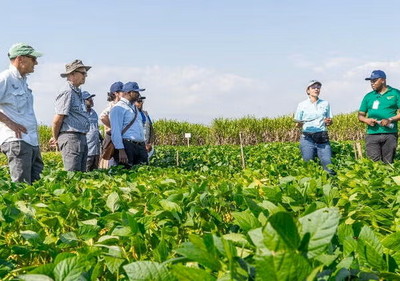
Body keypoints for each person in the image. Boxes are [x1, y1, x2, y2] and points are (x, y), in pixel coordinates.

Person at [0, 43, 44, 184]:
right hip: (17, 141)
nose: (36, 62)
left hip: (31, 141)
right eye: (33, 58)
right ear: (20, 58)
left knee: (37, 185)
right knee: (21, 188)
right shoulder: (6, 78)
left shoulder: (23, 82)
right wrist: (10, 123)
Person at [49, 60, 91, 172]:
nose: (85, 75)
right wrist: (55, 137)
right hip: (71, 137)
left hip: (80, 137)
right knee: (73, 175)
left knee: (81, 175)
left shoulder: (77, 92)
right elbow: (58, 119)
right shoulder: (67, 91)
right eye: (83, 73)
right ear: (72, 74)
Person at [358, 70, 400, 163]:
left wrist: (390, 120)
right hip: (372, 135)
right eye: (371, 81)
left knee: (388, 162)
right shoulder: (368, 96)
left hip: (390, 134)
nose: (372, 83)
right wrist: (366, 120)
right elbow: (360, 115)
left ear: (383, 80)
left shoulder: (395, 93)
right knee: (374, 163)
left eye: (374, 81)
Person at [294, 80, 335, 175]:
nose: (316, 89)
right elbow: (297, 123)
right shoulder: (302, 105)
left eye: (318, 87)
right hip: (307, 138)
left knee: (328, 163)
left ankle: (332, 183)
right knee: (308, 164)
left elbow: (329, 121)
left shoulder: (325, 104)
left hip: (322, 137)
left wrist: (329, 122)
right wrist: (300, 123)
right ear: (308, 91)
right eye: (313, 87)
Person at [110, 82, 148, 168]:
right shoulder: (118, 108)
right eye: (136, 92)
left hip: (140, 146)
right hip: (127, 146)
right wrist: (121, 150)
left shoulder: (134, 108)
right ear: (129, 93)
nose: (139, 94)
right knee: (126, 173)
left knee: (143, 174)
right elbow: (116, 131)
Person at [98, 81, 123, 168]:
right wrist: (114, 127)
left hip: (115, 139)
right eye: (122, 92)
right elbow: (102, 117)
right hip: (113, 141)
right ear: (116, 94)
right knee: (114, 162)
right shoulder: (113, 106)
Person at [83, 91, 101, 171]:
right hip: (87, 150)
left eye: (91, 98)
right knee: (86, 171)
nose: (91, 100)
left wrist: (102, 139)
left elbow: (96, 128)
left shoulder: (94, 113)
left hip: (96, 149)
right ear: (83, 101)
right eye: (88, 99)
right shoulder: (81, 113)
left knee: (95, 172)